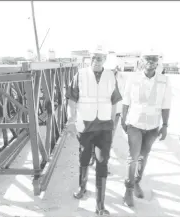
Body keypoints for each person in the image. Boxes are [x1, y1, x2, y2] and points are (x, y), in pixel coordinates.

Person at [66, 45, 122, 216]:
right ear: (89, 59)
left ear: (105, 59)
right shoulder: (80, 75)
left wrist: (113, 123)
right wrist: (71, 120)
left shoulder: (111, 75)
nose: (96, 61)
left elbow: (115, 101)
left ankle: (100, 206)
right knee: (84, 157)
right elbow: (72, 99)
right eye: (94, 58)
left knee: (102, 162)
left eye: (99, 58)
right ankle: (82, 187)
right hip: (86, 126)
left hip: (104, 127)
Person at [121, 50, 171, 207]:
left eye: (154, 59)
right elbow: (126, 99)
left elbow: (166, 104)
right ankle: (128, 190)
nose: (150, 61)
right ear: (142, 61)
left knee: (144, 156)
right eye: (147, 58)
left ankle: (136, 181)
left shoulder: (164, 80)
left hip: (152, 127)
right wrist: (123, 119)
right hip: (135, 124)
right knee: (133, 157)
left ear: (158, 61)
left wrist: (165, 125)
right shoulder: (133, 78)